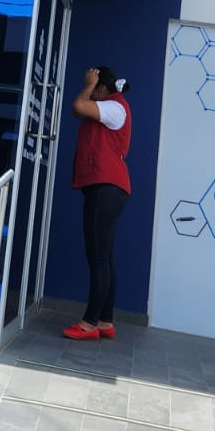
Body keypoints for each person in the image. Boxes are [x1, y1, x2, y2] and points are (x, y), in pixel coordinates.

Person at [63, 65, 131, 340]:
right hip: (108, 188)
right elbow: (78, 111)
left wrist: (89, 84)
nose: (91, 92)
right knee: (104, 256)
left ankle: (89, 323)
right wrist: (92, 87)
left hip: (107, 187)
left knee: (98, 256)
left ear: (102, 88)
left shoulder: (115, 107)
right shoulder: (106, 108)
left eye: (94, 86)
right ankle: (104, 320)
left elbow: (79, 104)